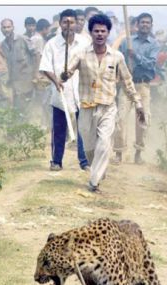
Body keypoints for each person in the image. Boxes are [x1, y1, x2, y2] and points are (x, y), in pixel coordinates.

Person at [62, 13, 145, 192]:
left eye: (103, 31)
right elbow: (68, 71)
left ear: (108, 33)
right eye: (96, 31)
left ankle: (94, 182)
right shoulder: (81, 54)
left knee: (104, 143)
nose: (100, 34)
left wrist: (137, 102)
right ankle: (98, 169)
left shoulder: (117, 57)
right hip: (86, 107)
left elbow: (127, 81)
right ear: (91, 33)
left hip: (107, 107)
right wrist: (65, 75)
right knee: (90, 148)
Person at [40, 9, 91, 172]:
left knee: (83, 128)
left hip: (81, 91)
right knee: (59, 128)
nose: (68, 25)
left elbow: (91, 64)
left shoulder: (85, 42)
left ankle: (84, 162)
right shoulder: (51, 44)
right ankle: (56, 161)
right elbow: (45, 67)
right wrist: (56, 81)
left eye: (71, 22)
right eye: (65, 22)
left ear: (76, 23)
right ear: (60, 24)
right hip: (60, 92)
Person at [113, 12, 160, 165]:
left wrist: (136, 56)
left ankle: (138, 153)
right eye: (142, 22)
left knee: (143, 120)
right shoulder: (127, 41)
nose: (145, 25)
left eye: (148, 22)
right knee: (120, 119)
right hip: (127, 85)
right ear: (137, 24)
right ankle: (118, 153)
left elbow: (151, 64)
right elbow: (118, 61)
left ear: (151, 25)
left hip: (143, 86)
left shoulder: (154, 44)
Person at [0, 18, 36, 117]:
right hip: (15, 82)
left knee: (27, 107)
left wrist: (36, 75)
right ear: (1, 29)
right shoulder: (3, 45)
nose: (6, 29)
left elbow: (36, 55)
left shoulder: (22, 39)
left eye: (8, 27)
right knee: (17, 108)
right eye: (4, 27)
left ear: (13, 28)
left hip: (27, 80)